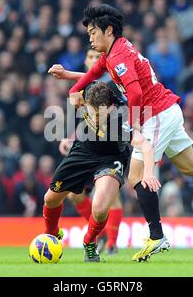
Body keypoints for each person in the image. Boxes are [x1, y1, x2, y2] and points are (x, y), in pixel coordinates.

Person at [52, 4, 193, 262]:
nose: (90, 38)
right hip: (166, 109)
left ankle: (156, 236)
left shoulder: (119, 56)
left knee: (136, 175)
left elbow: (134, 93)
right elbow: (95, 73)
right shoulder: (117, 51)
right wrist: (70, 80)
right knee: (191, 167)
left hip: (155, 114)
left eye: (92, 32)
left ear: (108, 30)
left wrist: (133, 126)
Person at [42, 81, 159, 262]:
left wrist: (149, 172)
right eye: (91, 112)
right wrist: (66, 75)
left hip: (111, 158)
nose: (94, 118)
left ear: (111, 107)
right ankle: (50, 235)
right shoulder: (89, 91)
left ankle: (90, 243)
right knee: (50, 199)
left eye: (99, 115)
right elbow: (80, 85)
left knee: (100, 207)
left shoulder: (124, 119)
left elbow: (145, 145)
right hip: (83, 150)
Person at [51, 48, 125, 254]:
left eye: (97, 57)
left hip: (111, 148)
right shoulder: (82, 87)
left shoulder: (111, 84)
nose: (94, 60)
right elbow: (80, 119)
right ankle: (99, 235)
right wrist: (69, 138)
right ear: (85, 60)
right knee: (75, 196)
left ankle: (112, 244)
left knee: (110, 198)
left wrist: (66, 75)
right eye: (90, 57)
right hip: (87, 148)